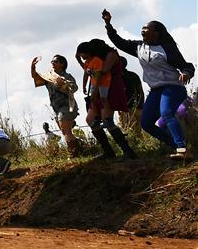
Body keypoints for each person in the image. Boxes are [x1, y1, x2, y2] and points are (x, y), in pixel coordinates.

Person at [103, 10, 195, 158]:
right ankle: (177, 146)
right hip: (156, 90)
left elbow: (186, 65)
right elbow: (118, 42)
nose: (142, 30)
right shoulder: (138, 47)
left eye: (146, 28)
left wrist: (186, 73)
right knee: (146, 124)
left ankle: (182, 148)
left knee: (166, 113)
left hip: (173, 87)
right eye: (142, 28)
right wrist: (108, 24)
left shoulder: (167, 48)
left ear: (156, 33)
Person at [76, 40, 136, 160]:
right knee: (91, 120)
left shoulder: (111, 54)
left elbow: (103, 71)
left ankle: (128, 151)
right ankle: (108, 152)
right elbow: (89, 69)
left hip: (111, 87)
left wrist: (92, 72)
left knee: (107, 119)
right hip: (98, 89)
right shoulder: (96, 58)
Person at [30, 55, 82, 156]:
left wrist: (63, 84)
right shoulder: (48, 76)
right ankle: (80, 146)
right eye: (52, 61)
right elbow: (36, 77)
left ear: (62, 64)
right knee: (65, 131)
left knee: (66, 131)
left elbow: (74, 88)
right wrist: (33, 67)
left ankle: (73, 154)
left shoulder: (67, 76)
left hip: (67, 106)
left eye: (55, 61)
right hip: (57, 108)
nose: (52, 63)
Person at [119, 57, 145, 131]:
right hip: (138, 106)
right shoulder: (134, 75)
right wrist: (141, 105)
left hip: (127, 108)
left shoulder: (119, 77)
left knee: (128, 130)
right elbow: (141, 91)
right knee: (138, 131)